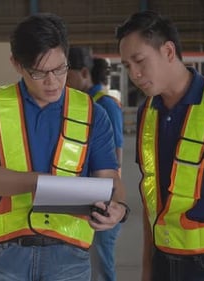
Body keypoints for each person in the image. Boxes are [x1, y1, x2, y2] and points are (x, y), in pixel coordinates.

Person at [0, 13, 130, 281]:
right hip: (4, 256)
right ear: (17, 64)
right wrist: (39, 182)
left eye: (60, 69)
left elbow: (109, 178)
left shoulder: (92, 113)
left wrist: (118, 206)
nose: (52, 81)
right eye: (39, 72)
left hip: (69, 257)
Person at [116, 10, 204, 281]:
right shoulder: (147, 111)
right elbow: (153, 199)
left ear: (168, 51)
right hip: (162, 259)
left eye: (139, 61)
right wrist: (147, 268)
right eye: (126, 66)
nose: (134, 74)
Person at [66, 47, 124, 281]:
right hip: (84, 193)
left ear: (83, 73)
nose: (63, 82)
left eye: (67, 75)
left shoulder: (105, 104)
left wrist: (111, 195)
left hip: (103, 196)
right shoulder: (81, 102)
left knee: (102, 264)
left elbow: (116, 153)